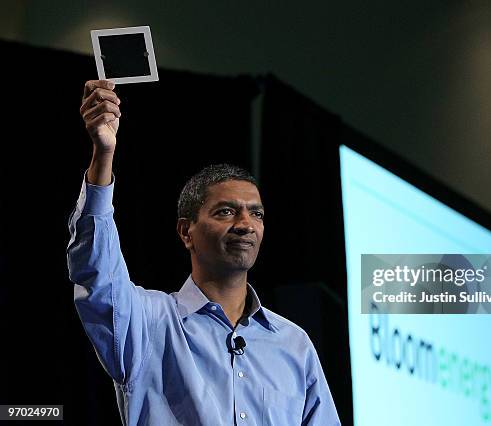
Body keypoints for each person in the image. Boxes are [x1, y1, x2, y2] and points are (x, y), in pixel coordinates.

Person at [67, 80, 341, 426]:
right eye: (226, 212)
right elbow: (97, 272)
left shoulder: (293, 343)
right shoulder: (151, 323)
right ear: (186, 232)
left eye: (256, 213)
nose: (246, 224)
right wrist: (103, 155)